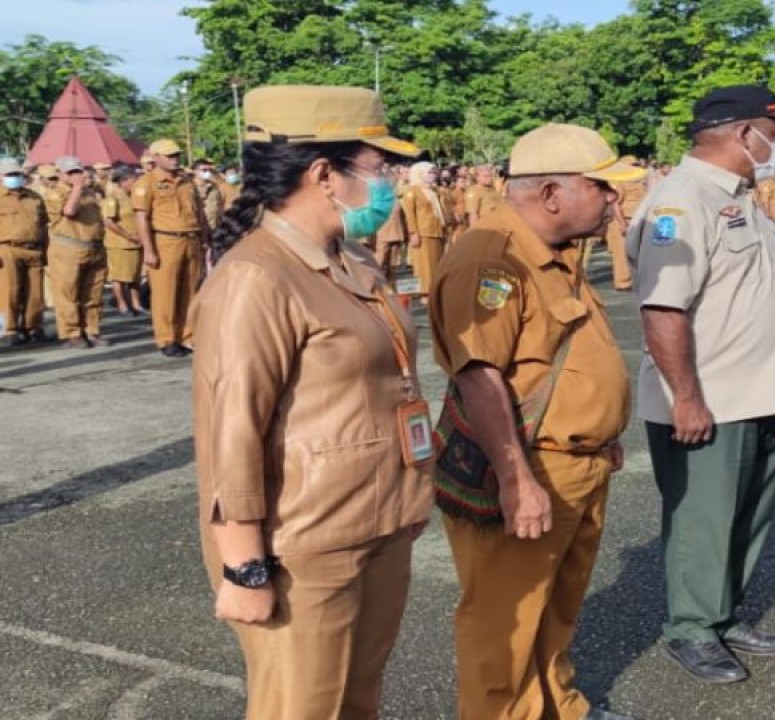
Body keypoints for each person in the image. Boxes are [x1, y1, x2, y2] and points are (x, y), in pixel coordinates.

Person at [190, 84, 433, 718]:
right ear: (325, 174)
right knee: (302, 709)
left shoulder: (349, 260)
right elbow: (232, 432)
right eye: (380, 167)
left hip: (379, 521)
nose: (390, 183)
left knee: (359, 701)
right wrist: (243, 566)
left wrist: (408, 496)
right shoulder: (256, 275)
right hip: (306, 544)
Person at [430, 123, 641, 720]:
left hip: (578, 463)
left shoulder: (554, 252)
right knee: (505, 619)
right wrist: (516, 480)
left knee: (556, 607)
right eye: (604, 188)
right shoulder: (491, 257)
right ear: (552, 192)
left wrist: (605, 433)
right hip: (529, 467)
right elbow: (480, 375)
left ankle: (557, 708)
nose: (614, 202)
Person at [626, 84, 775, 684]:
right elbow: (663, 309)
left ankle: (722, 614)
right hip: (710, 399)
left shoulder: (740, 197)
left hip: (758, 392)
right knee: (703, 519)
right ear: (744, 133)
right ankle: (691, 628)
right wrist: (685, 397)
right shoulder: (682, 202)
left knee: (747, 514)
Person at [134, 138, 209, 357]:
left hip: (192, 239)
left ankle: (188, 336)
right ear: (155, 158)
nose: (174, 160)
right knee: (165, 293)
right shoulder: (146, 183)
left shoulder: (186, 181)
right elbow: (142, 218)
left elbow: (199, 213)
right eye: (169, 156)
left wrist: (205, 238)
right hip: (165, 241)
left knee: (191, 290)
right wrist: (148, 250)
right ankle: (167, 338)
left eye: (176, 155)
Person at [45, 156, 110, 348]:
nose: (76, 176)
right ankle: (72, 333)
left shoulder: (89, 193)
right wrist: (77, 188)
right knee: (68, 294)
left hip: (94, 247)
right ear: (60, 174)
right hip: (68, 247)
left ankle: (92, 330)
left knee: (93, 293)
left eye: (77, 171)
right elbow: (69, 211)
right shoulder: (55, 193)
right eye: (70, 172)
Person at [0, 157, 50, 347]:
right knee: (9, 292)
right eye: (10, 174)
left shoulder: (34, 197)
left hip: (34, 249)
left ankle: (33, 327)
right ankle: (8, 330)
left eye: (17, 174)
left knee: (35, 293)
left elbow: (43, 225)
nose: (15, 177)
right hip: (7, 249)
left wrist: (45, 249)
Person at [402, 161, 455, 303]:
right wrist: (413, 233)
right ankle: (425, 292)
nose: (433, 175)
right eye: (430, 173)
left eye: (434, 172)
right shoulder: (412, 191)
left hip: (437, 230)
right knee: (424, 264)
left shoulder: (434, 191)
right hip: (423, 232)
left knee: (436, 262)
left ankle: (435, 289)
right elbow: (409, 214)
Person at [101, 165, 145, 315]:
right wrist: (128, 235)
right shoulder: (113, 198)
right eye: (134, 180)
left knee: (135, 276)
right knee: (119, 276)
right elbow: (109, 222)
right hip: (119, 244)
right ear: (124, 181)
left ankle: (136, 303)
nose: (136, 183)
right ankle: (121, 304)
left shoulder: (134, 196)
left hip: (137, 243)